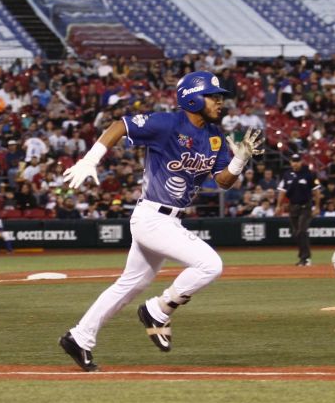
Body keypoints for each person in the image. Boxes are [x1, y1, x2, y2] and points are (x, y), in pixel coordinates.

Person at [57, 71, 263, 371]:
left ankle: (79, 337)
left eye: (220, 97)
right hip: (153, 216)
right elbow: (120, 125)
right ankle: (157, 309)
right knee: (210, 265)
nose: (220, 102)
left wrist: (239, 160)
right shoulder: (168, 124)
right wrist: (90, 160)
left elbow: (223, 181)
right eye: (214, 96)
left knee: (129, 284)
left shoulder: (214, 136)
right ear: (192, 97)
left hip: (167, 220)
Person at [275, 154, 321, 266]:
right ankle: (302, 258)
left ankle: (306, 258)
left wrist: (317, 207)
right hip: (293, 207)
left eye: (297, 161)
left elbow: (316, 192)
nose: (295, 163)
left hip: (306, 206)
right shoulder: (287, 174)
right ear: (290, 162)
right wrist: (278, 206)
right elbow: (282, 191)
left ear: (301, 162)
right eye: (293, 161)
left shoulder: (309, 174)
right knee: (297, 233)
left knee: (302, 231)